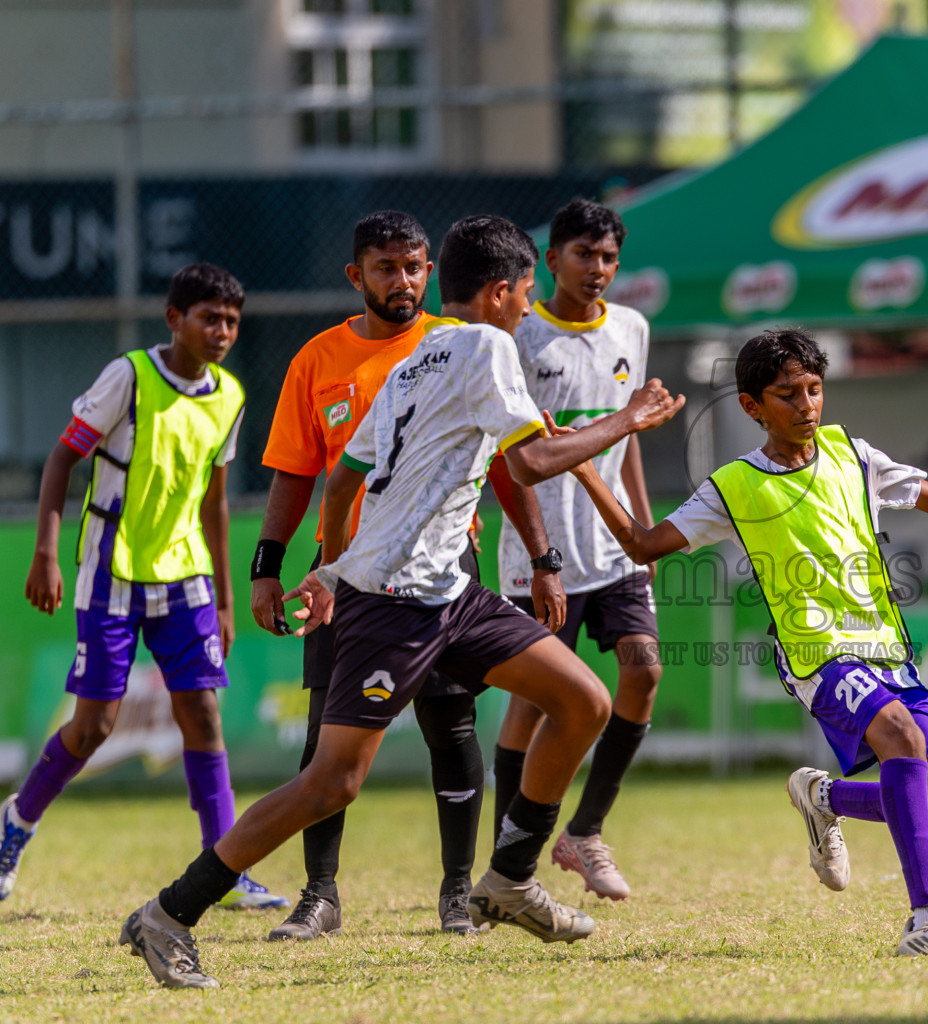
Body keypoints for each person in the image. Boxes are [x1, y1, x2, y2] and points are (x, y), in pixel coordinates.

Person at [119, 215, 685, 989]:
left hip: (449, 588)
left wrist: (329, 564)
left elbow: (348, 473)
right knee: (330, 782)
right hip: (395, 602)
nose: (528, 310)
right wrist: (627, 420)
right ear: (501, 291)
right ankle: (170, 913)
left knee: (583, 698)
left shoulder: (417, 357)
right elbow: (530, 464)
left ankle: (510, 877)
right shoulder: (488, 346)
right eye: (524, 296)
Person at [560, 327, 928, 958]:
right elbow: (644, 544)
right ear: (753, 406)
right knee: (903, 738)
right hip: (817, 656)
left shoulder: (852, 456)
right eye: (787, 395)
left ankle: (823, 796)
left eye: (814, 389)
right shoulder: (735, 487)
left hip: (886, 648)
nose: (807, 405)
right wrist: (586, 469)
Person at [250, 210, 560, 940]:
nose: (404, 281)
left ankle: (459, 892)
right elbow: (300, 473)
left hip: (440, 573)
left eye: (415, 266)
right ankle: (318, 894)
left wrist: (541, 558)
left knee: (451, 723)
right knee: (328, 737)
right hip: (346, 578)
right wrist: (270, 566)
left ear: (432, 271)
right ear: (357, 276)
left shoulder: (461, 345)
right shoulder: (316, 360)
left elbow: (512, 468)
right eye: (386, 268)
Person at [0, 264, 285, 911]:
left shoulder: (230, 396)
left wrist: (226, 596)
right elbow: (61, 458)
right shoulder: (129, 377)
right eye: (208, 317)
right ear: (173, 318)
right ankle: (15, 823)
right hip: (111, 573)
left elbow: (215, 501)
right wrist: (46, 554)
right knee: (94, 726)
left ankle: (226, 869)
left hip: (184, 580)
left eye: (232, 321)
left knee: (203, 715)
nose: (221, 331)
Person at [486, 198, 659, 901]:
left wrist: (642, 530)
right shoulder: (519, 336)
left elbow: (629, 434)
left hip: (614, 548)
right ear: (550, 259)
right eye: (584, 255)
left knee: (643, 672)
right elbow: (513, 457)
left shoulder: (631, 327)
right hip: (542, 553)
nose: (598, 269)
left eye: (609, 257)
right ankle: (510, 861)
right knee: (535, 706)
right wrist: (537, 555)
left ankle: (585, 832)